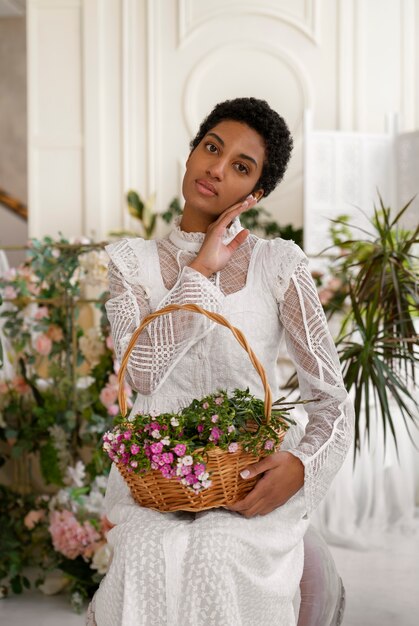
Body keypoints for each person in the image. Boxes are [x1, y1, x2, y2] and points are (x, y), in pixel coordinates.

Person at [89, 97, 353, 625]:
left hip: (247, 479)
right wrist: (201, 269)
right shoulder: (130, 262)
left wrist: (301, 467)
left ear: (254, 194)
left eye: (240, 166)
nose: (215, 168)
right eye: (212, 148)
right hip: (155, 484)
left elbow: (332, 402)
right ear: (191, 153)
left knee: (218, 554)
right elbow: (142, 373)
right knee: (143, 557)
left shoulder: (279, 264)